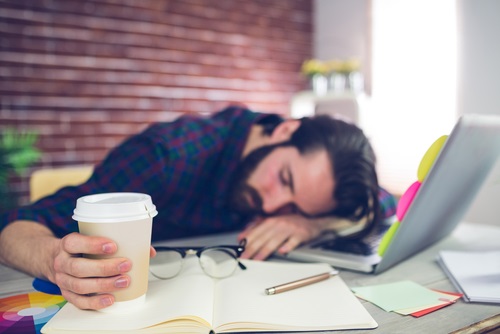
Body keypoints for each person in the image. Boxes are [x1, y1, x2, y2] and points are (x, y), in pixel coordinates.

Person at [0, 105, 396, 310]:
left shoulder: (305, 173)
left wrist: (310, 222)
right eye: (285, 180)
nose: (274, 205)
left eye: (294, 206)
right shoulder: (167, 156)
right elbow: (18, 225)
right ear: (285, 129)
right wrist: (56, 259)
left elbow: (382, 201)